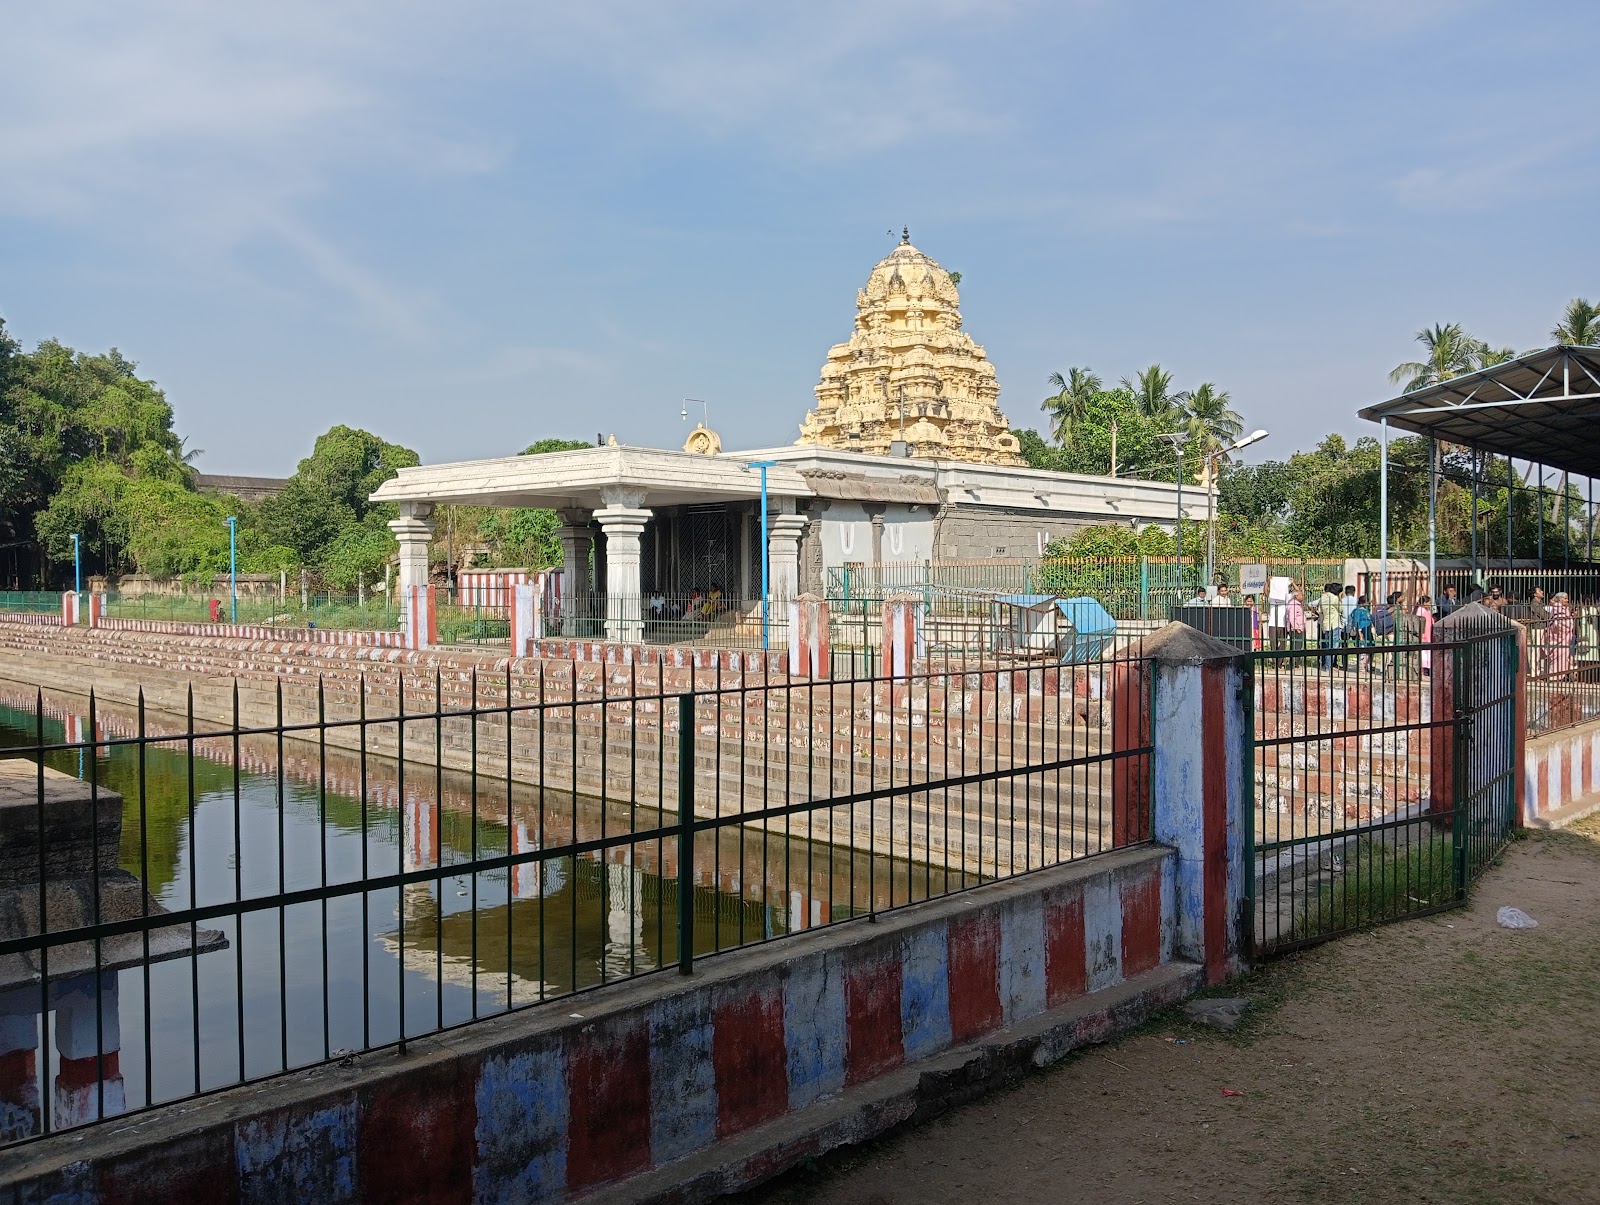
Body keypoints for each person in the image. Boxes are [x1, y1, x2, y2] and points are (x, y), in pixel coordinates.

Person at [1547, 592, 1576, 679]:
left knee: (1564, 656)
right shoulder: (1557, 608)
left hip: (1565, 636)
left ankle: (1561, 675)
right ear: (1560, 599)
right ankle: (1555, 676)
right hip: (1559, 636)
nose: (1567, 600)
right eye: (1565, 598)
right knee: (1558, 655)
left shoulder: (1563, 608)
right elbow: (1558, 623)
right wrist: (1568, 626)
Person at [1316, 581, 1343, 670]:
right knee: (1334, 646)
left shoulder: (1322, 598)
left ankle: (1327, 666)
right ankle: (1329, 665)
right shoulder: (1334, 598)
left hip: (1325, 624)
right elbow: (1341, 609)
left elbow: (1320, 611)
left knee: (1328, 646)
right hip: (1334, 624)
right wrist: (1340, 598)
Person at [1349, 595, 1375, 671]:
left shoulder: (1365, 610)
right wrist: (1359, 633)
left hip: (1367, 630)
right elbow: (1356, 622)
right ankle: (1362, 666)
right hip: (1362, 631)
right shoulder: (1358, 611)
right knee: (1362, 648)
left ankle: (1368, 664)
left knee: (1370, 646)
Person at [1415, 594, 1436, 676]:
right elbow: (1426, 626)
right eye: (1428, 603)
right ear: (1424, 603)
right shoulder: (1423, 612)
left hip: (1426, 634)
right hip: (1426, 635)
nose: (1429, 604)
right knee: (1424, 653)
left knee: (1424, 653)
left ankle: (1424, 670)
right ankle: (1424, 670)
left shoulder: (1422, 611)